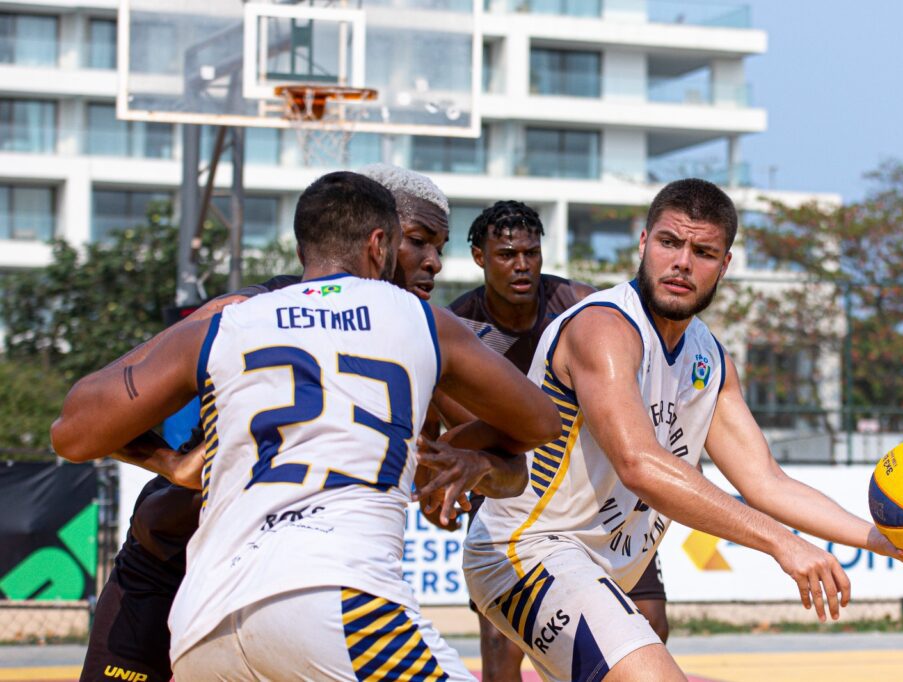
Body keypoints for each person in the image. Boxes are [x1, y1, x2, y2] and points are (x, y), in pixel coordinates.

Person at [55, 171, 561, 680]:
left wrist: (467, 464)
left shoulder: (405, 336)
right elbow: (540, 424)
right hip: (178, 565)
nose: (433, 261)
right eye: (418, 242)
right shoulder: (255, 312)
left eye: (440, 246)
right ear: (376, 239)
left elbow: (513, 468)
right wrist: (172, 463)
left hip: (214, 607)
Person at [462, 179, 903, 682]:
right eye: (670, 243)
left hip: (595, 569)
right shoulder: (604, 329)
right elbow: (640, 465)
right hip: (528, 551)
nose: (682, 263)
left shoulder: (710, 358)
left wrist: (883, 540)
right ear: (645, 243)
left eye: (703, 251)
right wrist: (784, 543)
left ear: (724, 265)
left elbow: (765, 482)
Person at [434, 200, 669, 680]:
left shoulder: (580, 302)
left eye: (531, 253)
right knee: (502, 643)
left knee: (650, 622)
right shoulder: (461, 327)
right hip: (511, 477)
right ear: (479, 257)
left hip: (594, 484)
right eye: (506, 254)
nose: (521, 265)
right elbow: (474, 434)